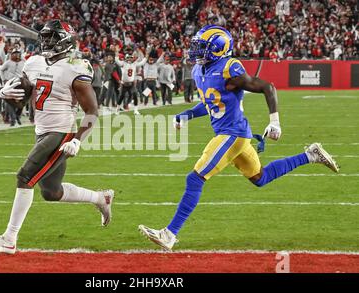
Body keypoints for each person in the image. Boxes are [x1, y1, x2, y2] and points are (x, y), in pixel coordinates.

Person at [138, 25, 340, 251]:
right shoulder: (199, 71)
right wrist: (187, 114)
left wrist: (274, 121)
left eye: (202, 47)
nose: (196, 51)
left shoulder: (229, 68)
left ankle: (169, 234)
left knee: (194, 179)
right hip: (235, 135)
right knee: (260, 178)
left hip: (232, 134)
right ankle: (310, 155)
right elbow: (210, 104)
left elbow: (267, 87)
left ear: (218, 49)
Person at [0, 20, 114, 255]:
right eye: (45, 37)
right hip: (42, 131)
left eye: (52, 37)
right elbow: (24, 99)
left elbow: (92, 111)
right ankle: (100, 198)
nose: (47, 42)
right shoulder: (33, 62)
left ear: (65, 40)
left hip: (61, 132)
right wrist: (6, 93)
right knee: (51, 192)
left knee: (24, 176)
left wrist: (77, 140)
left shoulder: (76, 67)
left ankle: (9, 239)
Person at [114, 47, 147, 115]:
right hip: (124, 84)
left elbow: (142, 63)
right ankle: (117, 110)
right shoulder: (123, 63)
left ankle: (135, 110)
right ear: (126, 58)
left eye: (130, 57)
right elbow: (117, 61)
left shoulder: (134, 64)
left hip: (131, 84)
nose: (129, 59)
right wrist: (116, 52)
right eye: (128, 58)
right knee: (121, 97)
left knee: (135, 95)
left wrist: (146, 55)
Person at [0, 48, 25, 126]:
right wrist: (3, 79)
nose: (16, 55)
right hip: (10, 83)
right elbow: (1, 70)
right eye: (14, 53)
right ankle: (13, 119)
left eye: (18, 53)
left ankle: (17, 116)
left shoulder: (23, 62)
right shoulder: (8, 62)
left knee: (22, 101)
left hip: (20, 83)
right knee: (10, 102)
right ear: (11, 54)